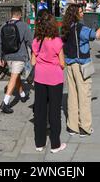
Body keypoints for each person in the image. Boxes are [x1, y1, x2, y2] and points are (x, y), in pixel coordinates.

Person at [61, 4, 100, 136]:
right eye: (80, 12)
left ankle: (72, 126)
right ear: (75, 14)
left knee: (72, 96)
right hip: (81, 65)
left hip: (70, 64)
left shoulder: (66, 28)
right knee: (84, 96)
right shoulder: (81, 28)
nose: (82, 13)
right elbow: (96, 35)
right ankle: (85, 127)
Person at [32, 13, 66, 153]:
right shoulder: (57, 41)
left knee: (40, 111)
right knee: (54, 111)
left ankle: (39, 143)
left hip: (40, 78)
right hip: (55, 79)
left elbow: (33, 61)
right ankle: (55, 144)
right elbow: (63, 63)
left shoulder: (36, 40)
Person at [0, 6, 33, 114]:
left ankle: (22, 95)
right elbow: (30, 42)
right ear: (20, 15)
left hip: (8, 56)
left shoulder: (4, 25)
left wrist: (0, 56)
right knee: (14, 77)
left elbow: (0, 42)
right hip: (19, 56)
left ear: (11, 14)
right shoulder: (24, 26)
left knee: (15, 75)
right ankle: (5, 102)